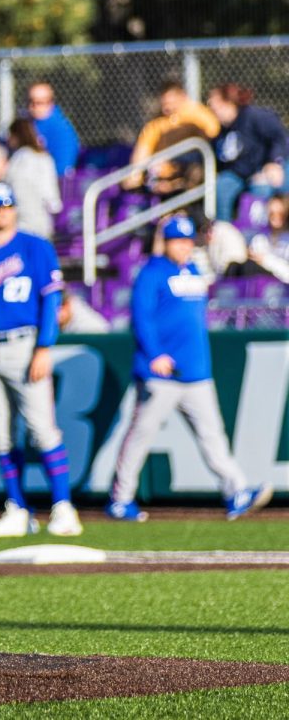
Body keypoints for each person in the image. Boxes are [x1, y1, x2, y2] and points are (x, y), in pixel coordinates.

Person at [105, 217, 273, 522]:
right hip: (161, 373)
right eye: (177, 241)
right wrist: (154, 354)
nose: (184, 246)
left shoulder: (194, 270)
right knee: (140, 435)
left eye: (187, 241)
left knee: (212, 436)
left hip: (196, 371)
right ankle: (120, 499)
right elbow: (140, 318)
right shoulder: (152, 273)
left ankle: (236, 491)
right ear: (166, 242)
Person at [0, 182, 83, 538]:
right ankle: (18, 508)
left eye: (7, 205)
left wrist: (44, 347)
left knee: (43, 430)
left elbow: (51, 301)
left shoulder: (34, 246)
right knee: (2, 436)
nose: (2, 212)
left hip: (25, 344)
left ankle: (63, 506)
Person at [206, 83, 289, 222]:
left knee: (260, 188)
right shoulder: (222, 131)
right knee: (221, 187)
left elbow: (279, 137)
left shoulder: (254, 116)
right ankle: (223, 232)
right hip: (239, 175)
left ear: (229, 102)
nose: (212, 107)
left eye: (216, 104)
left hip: (265, 169)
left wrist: (274, 162)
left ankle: (257, 234)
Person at [126, 79, 220, 196]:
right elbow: (142, 152)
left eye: (171, 103)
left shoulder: (197, 114)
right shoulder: (156, 124)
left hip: (188, 170)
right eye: (165, 103)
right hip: (162, 173)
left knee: (195, 172)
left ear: (183, 97)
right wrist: (135, 176)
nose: (167, 108)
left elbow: (211, 137)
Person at [4, 120, 62, 240]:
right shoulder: (45, 157)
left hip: (24, 220)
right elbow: (52, 199)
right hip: (44, 221)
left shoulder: (18, 159)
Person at [26, 82, 80, 176]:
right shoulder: (27, 123)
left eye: (39, 102)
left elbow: (63, 168)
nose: (32, 106)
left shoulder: (61, 130)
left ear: (50, 102)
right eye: (30, 101)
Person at [249, 193, 289, 282]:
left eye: (280, 214)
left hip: (284, 288)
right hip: (263, 283)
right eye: (272, 213)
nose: (275, 217)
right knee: (235, 267)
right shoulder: (260, 238)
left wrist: (266, 260)